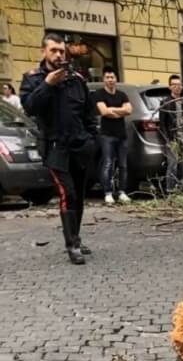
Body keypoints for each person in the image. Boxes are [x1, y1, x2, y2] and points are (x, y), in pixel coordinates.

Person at [20, 32, 97, 265]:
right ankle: (71, 245)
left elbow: (89, 113)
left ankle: (76, 236)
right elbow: (30, 107)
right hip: (55, 148)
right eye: (53, 50)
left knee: (79, 197)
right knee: (68, 194)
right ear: (43, 51)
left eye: (61, 51)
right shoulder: (33, 79)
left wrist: (91, 139)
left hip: (79, 147)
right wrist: (47, 85)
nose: (58, 55)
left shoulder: (77, 79)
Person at [93, 67, 132, 204]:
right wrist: (120, 111)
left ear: (116, 79)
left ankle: (122, 192)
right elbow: (104, 112)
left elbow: (129, 110)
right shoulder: (99, 94)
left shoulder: (122, 94)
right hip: (107, 135)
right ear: (103, 79)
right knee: (108, 164)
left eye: (112, 77)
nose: (110, 80)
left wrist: (113, 110)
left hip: (122, 134)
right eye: (107, 77)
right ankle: (108, 193)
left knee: (123, 165)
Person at [158, 74, 183, 193]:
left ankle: (180, 187)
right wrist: (167, 140)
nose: (177, 87)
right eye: (174, 85)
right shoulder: (165, 103)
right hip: (172, 139)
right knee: (173, 163)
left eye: (179, 85)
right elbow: (162, 124)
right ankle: (170, 190)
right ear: (170, 87)